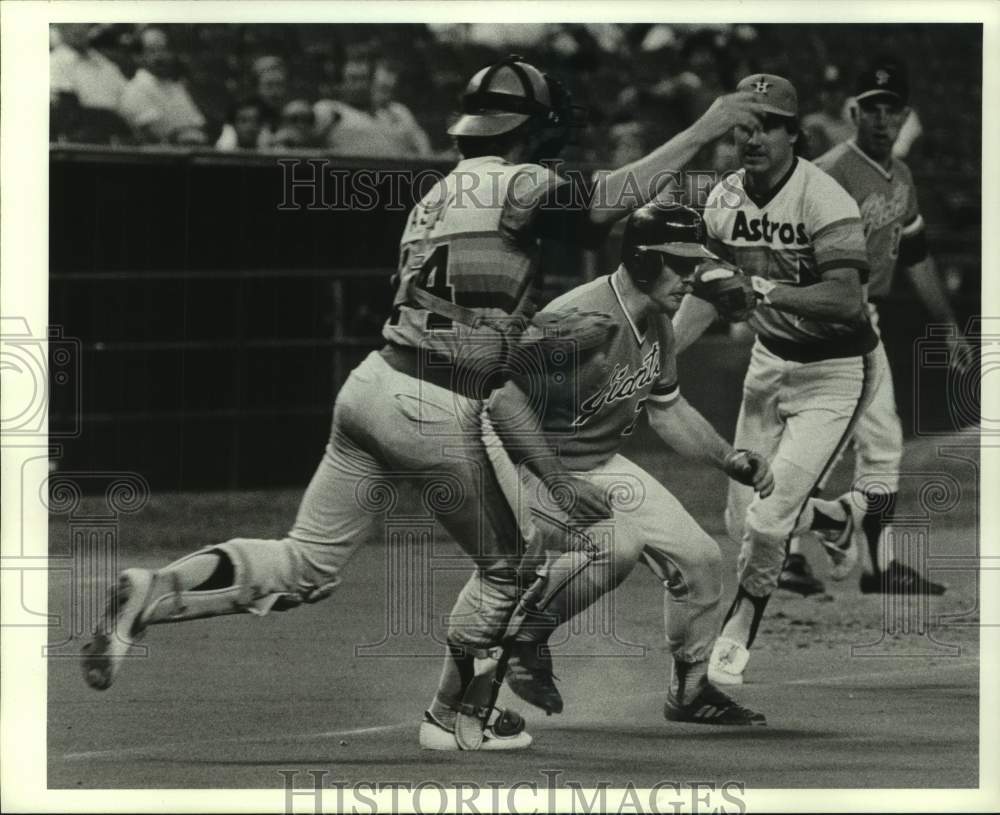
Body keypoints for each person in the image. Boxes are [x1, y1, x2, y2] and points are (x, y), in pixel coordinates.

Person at [81, 55, 768, 750]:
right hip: (436, 403)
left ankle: (155, 590)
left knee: (303, 565)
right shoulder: (516, 180)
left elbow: (471, 295)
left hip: (372, 384)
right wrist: (705, 126)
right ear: (531, 131)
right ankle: (451, 715)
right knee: (514, 564)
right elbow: (602, 205)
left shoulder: (436, 196)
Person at [488, 202, 773, 725]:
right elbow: (499, 400)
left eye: (694, 265)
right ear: (643, 262)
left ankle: (689, 690)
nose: (690, 279)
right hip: (527, 468)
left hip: (597, 463)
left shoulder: (657, 322)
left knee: (701, 558)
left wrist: (728, 458)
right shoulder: (580, 316)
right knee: (616, 545)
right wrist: (553, 480)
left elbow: (668, 412)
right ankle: (525, 640)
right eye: (679, 264)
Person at [671, 74, 882, 687]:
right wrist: (662, 355)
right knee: (743, 520)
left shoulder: (825, 197)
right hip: (769, 365)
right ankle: (837, 520)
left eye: (766, 124)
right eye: (743, 124)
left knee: (766, 525)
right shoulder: (723, 200)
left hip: (835, 374)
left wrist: (763, 287)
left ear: (795, 134)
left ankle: (739, 632)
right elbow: (706, 294)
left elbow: (846, 300)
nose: (751, 136)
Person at [780, 60, 971, 597]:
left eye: (893, 109)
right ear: (854, 113)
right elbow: (785, 245)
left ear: (904, 116)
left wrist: (950, 327)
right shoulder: (827, 170)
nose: (883, 119)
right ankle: (789, 554)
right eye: (873, 109)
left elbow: (915, 255)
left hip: (865, 318)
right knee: (823, 437)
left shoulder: (901, 178)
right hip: (821, 319)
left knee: (881, 441)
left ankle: (879, 565)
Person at [119, 27, 207, 144]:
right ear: (138, 57)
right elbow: (156, 134)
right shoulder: (135, 90)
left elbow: (198, 124)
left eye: (164, 50)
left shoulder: (175, 86)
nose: (160, 56)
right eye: (152, 51)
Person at [801, 65, 853, 159]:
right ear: (819, 93)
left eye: (836, 89)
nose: (832, 95)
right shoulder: (812, 123)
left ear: (845, 91)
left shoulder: (853, 123)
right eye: (827, 89)